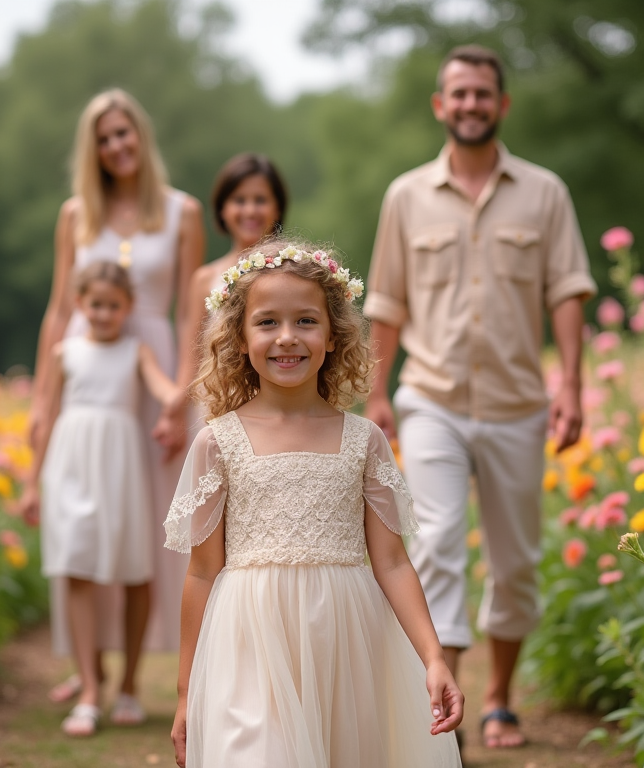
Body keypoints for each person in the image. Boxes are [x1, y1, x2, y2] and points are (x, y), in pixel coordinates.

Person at [363, 45, 597, 749]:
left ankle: (499, 697)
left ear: (502, 104)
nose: (469, 105)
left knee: (516, 557)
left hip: (519, 401)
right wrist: (376, 391)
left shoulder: (545, 192)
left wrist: (572, 387)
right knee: (434, 542)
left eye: (481, 94)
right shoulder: (405, 195)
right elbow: (387, 301)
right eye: (457, 94)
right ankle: (448, 706)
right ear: (440, 105)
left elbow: (566, 290)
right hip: (430, 397)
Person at [164, 239, 464, 768]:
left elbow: (392, 562)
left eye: (305, 321)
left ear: (333, 336)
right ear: (238, 337)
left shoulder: (364, 439)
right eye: (267, 322)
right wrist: (187, 692)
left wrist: (433, 657)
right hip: (251, 640)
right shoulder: (218, 442)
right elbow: (202, 573)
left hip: (344, 641)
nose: (287, 338)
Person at [28, 88, 205, 703]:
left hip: (153, 381)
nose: (116, 146)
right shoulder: (76, 214)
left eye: (124, 134)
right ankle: (87, 670)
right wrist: (40, 400)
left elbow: (190, 311)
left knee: (146, 528)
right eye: (104, 139)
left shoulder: (182, 212)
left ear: (141, 136)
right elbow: (57, 310)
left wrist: (180, 396)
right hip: (86, 378)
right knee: (83, 518)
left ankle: (135, 675)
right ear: (93, 150)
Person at [21, 262, 182, 736]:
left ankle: (128, 685)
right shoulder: (63, 352)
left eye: (114, 305)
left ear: (128, 307)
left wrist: (188, 394)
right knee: (75, 565)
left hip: (120, 465)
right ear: (80, 305)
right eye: (96, 304)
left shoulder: (138, 351)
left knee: (135, 569)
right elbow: (45, 418)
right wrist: (31, 482)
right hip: (70, 462)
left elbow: (165, 389)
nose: (104, 313)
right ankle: (90, 689)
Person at [186, 153, 288, 333]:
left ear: (278, 208)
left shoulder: (297, 270)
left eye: (260, 200)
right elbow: (191, 359)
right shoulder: (204, 279)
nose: (250, 211)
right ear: (222, 209)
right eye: (239, 200)